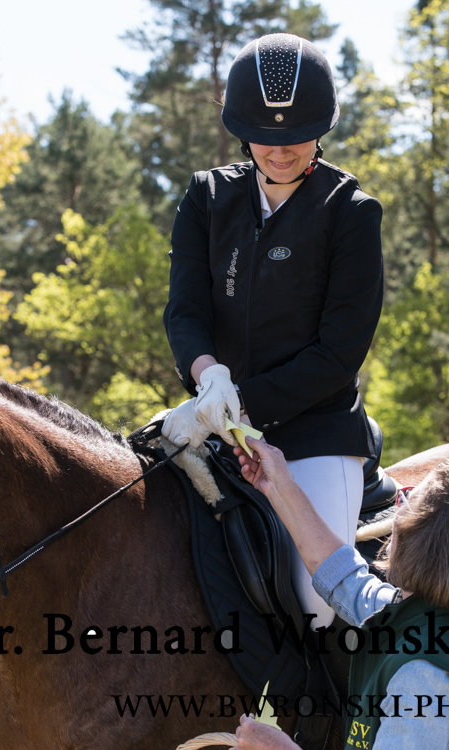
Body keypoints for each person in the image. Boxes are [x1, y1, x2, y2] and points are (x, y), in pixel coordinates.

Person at [161, 32, 384, 630]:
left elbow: (338, 354)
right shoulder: (207, 198)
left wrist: (239, 404)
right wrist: (211, 381)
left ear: (321, 128)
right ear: (241, 130)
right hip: (212, 413)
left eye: (295, 136)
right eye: (265, 136)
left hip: (316, 430)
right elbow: (186, 311)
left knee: (319, 602)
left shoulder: (351, 212)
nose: (280, 151)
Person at [227, 437, 449, 750]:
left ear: (430, 542)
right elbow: (346, 580)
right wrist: (279, 485)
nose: (399, 505)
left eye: (410, 500)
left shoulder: (426, 678)